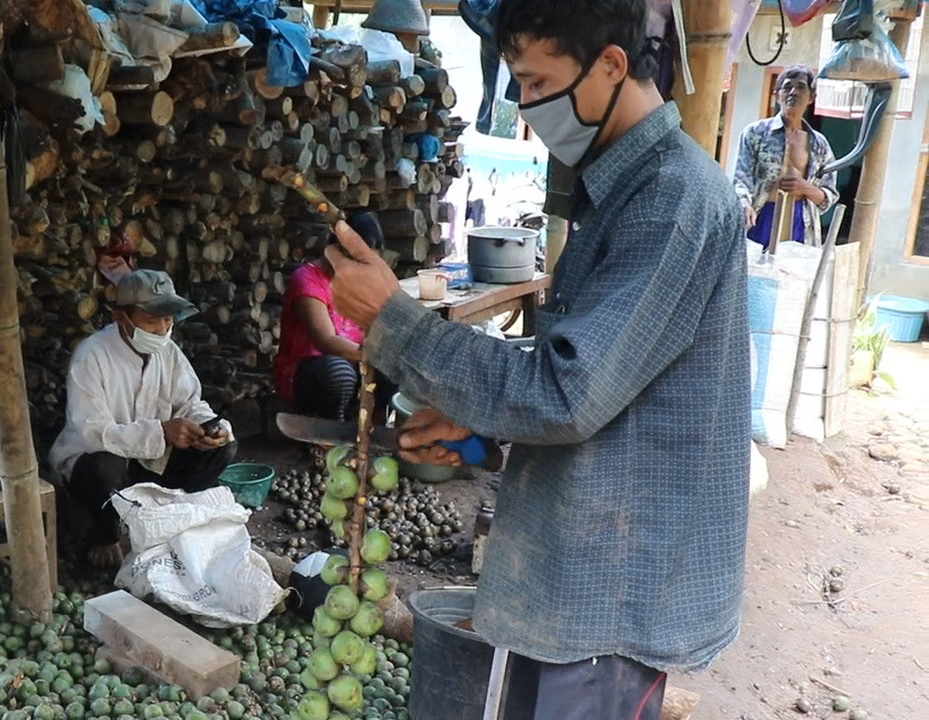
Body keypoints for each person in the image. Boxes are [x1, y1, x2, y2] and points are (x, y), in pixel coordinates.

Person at [321, 1, 750, 718]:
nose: (524, 102)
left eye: (535, 80)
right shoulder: (625, 191)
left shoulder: (670, 201)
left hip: (611, 600)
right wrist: (482, 429)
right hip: (575, 582)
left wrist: (394, 321)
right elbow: (606, 379)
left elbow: (567, 392)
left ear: (612, 65)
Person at [48, 269, 237, 568]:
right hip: (97, 469)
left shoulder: (168, 352)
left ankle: (172, 517)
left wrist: (208, 427)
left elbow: (189, 402)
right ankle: (105, 535)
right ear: (121, 317)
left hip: (150, 465)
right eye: (152, 321)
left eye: (168, 319)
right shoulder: (92, 356)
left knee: (223, 448)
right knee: (103, 466)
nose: (163, 329)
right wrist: (161, 432)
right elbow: (94, 433)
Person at [272, 212, 395, 423]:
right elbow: (326, 340)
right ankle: (329, 435)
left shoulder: (359, 282)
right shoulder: (307, 279)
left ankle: (373, 431)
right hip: (307, 374)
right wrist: (371, 355)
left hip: (353, 365)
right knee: (338, 372)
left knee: (394, 367)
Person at [733, 66, 839, 248]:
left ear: (812, 98)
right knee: (754, 272)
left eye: (801, 87)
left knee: (792, 273)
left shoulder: (819, 144)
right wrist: (744, 204)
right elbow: (740, 180)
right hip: (761, 216)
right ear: (776, 95)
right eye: (787, 87)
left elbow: (828, 198)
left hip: (801, 221)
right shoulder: (755, 133)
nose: (793, 92)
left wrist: (805, 187)